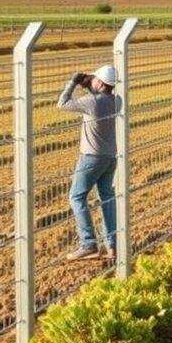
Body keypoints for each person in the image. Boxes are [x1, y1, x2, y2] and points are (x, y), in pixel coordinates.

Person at [58, 64, 122, 260]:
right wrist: (89, 85)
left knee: (76, 198)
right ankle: (112, 246)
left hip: (91, 158)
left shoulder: (91, 102)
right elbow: (97, 95)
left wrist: (74, 82)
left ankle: (88, 244)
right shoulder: (116, 101)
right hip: (110, 157)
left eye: (95, 79)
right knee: (107, 198)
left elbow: (62, 103)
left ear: (101, 83)